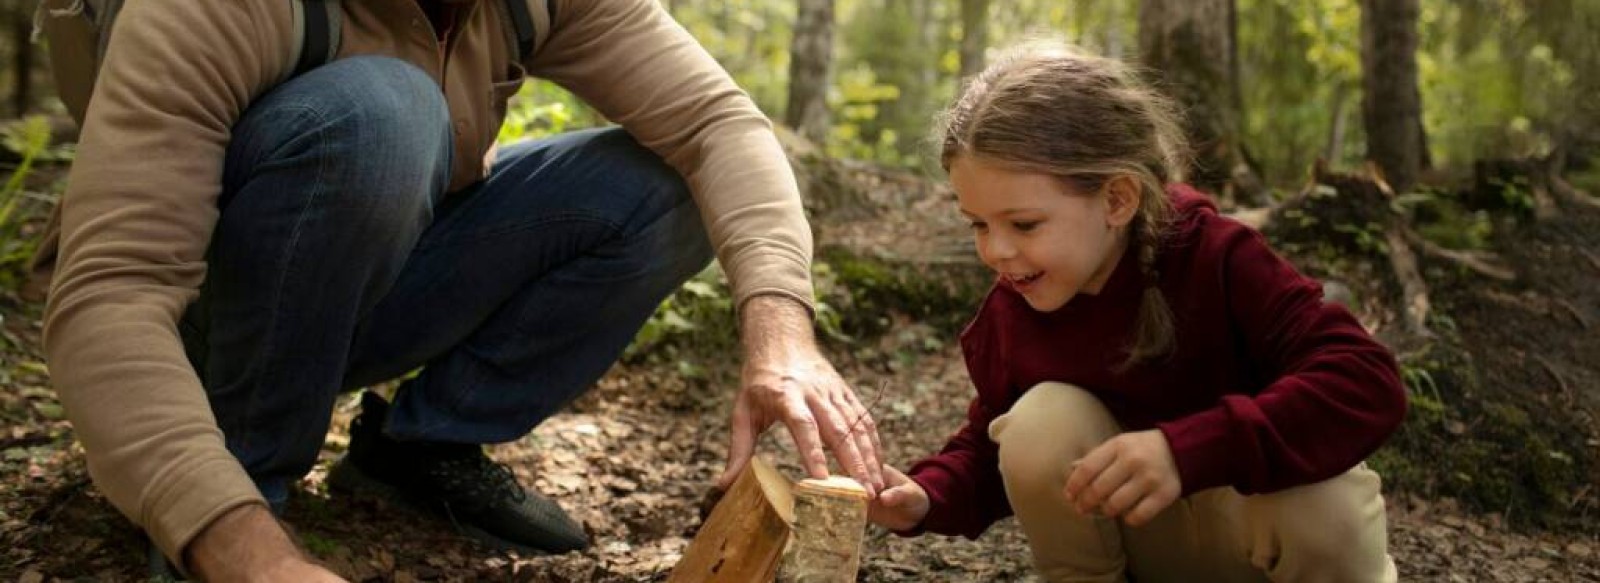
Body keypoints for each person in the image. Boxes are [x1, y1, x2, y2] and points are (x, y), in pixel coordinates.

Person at [38, 0, 885, 580]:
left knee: (667, 179)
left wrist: (781, 332)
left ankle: (420, 447)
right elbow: (113, 289)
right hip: (211, 318)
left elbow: (717, 125)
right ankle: (234, 475)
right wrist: (241, 550)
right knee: (383, 112)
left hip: (375, 273)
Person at [866, 41, 1407, 582]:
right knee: (1039, 423)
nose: (997, 250)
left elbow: (1365, 378)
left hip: (1258, 544)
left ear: (1117, 200)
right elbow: (987, 449)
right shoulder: (1017, 307)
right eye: (979, 224)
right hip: (1152, 552)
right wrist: (926, 498)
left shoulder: (1217, 259)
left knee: (1324, 501)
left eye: (1024, 224)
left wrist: (1185, 450)